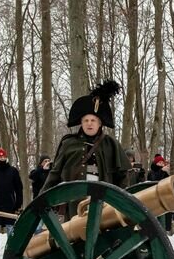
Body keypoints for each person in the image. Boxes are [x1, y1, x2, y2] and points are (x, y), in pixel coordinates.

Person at [41, 80, 130, 217]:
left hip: (104, 205)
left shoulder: (111, 144)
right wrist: (41, 200)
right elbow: (55, 174)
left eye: (93, 120)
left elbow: (122, 177)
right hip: (73, 205)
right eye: (86, 120)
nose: (89, 124)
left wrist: (122, 204)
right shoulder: (68, 144)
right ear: (81, 123)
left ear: (100, 123)